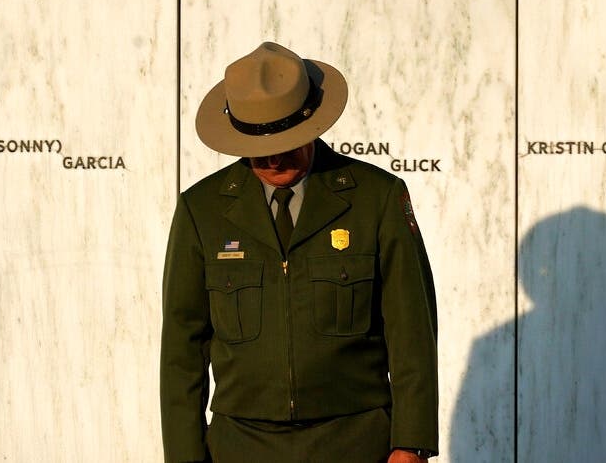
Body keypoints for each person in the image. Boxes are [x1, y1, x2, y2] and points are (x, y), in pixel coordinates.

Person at [161, 42, 438, 462]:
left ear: (312, 125)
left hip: (356, 441)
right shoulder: (202, 211)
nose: (274, 156)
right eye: (259, 145)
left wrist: (411, 442)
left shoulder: (376, 199)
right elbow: (183, 348)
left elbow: (411, 330)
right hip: (241, 447)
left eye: (287, 139)